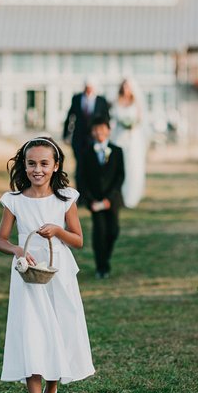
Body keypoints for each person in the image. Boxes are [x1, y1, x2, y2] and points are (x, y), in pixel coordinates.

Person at [0, 136, 95, 393]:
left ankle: (52, 390)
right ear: (23, 166)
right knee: (33, 336)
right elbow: (0, 240)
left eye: (43, 164)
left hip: (58, 273)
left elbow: (77, 240)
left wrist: (58, 231)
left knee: (60, 333)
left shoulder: (65, 199)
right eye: (31, 164)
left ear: (56, 166)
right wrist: (17, 250)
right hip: (28, 276)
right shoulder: (14, 201)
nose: (37, 169)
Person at [78, 117, 125, 279]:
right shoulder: (86, 152)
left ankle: (106, 258)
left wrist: (109, 199)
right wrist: (91, 199)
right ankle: (101, 267)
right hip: (95, 201)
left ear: (108, 131)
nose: (99, 133)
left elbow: (120, 177)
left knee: (113, 231)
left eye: (102, 129)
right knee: (99, 232)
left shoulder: (117, 151)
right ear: (92, 132)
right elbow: (81, 178)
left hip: (112, 200)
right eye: (96, 130)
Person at [62, 78, 110, 197]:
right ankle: (80, 195)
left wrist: (105, 136)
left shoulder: (101, 101)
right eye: (86, 87)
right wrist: (66, 135)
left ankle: (92, 193)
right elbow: (70, 117)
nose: (88, 90)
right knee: (80, 167)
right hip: (78, 139)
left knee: (93, 166)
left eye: (90, 87)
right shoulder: (77, 98)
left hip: (95, 139)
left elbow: (106, 120)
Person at [110, 78, 147, 208]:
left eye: (128, 87)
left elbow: (140, 119)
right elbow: (113, 118)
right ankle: (118, 195)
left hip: (132, 138)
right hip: (119, 137)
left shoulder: (136, 103)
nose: (126, 89)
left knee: (132, 165)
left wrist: (132, 124)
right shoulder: (116, 102)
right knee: (119, 165)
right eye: (124, 86)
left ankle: (131, 196)